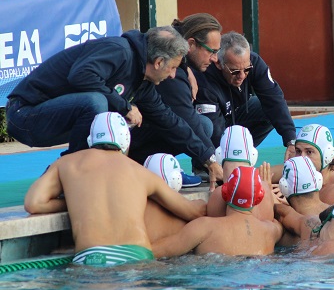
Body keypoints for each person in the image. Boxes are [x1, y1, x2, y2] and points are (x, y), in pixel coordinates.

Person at [6, 25, 223, 187]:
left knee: (149, 122)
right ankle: (68, 175)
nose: (174, 75)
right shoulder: (119, 51)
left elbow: (170, 121)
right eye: (173, 67)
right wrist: (124, 106)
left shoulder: (143, 82)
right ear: (158, 62)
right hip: (25, 115)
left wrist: (208, 159)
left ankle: (67, 174)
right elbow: (80, 75)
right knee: (95, 103)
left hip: (54, 120)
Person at [23, 112, 207, 266]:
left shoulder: (67, 163)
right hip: (136, 255)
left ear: (90, 139)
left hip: (91, 257)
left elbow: (34, 203)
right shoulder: (140, 172)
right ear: (126, 140)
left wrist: (75, 201)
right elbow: (192, 212)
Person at [129, 13, 223, 185]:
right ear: (191, 44)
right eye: (212, 51)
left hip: (135, 126)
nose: (215, 59)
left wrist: (185, 68)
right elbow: (185, 120)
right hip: (123, 136)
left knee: (196, 123)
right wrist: (214, 162)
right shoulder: (173, 76)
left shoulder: (174, 57)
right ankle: (147, 166)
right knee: (195, 124)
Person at [194, 31, 297, 162]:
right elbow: (215, 132)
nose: (242, 76)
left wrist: (291, 140)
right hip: (212, 121)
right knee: (207, 126)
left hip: (234, 114)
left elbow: (274, 99)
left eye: (246, 69)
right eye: (235, 71)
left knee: (264, 108)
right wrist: (218, 163)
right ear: (218, 63)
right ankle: (205, 163)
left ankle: (243, 153)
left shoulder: (254, 62)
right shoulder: (205, 79)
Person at [152, 166, 284, 257]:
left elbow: (154, 252)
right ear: (259, 198)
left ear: (224, 194)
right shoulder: (271, 230)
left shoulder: (204, 227)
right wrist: (270, 193)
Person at [206, 125, 274, 222]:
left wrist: (212, 195)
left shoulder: (218, 195)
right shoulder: (266, 190)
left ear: (218, 155)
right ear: (253, 156)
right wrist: (271, 196)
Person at [292, 124, 334, 204]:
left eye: (309, 152)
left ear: (327, 155)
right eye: (298, 151)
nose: (302, 158)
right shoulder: (294, 176)